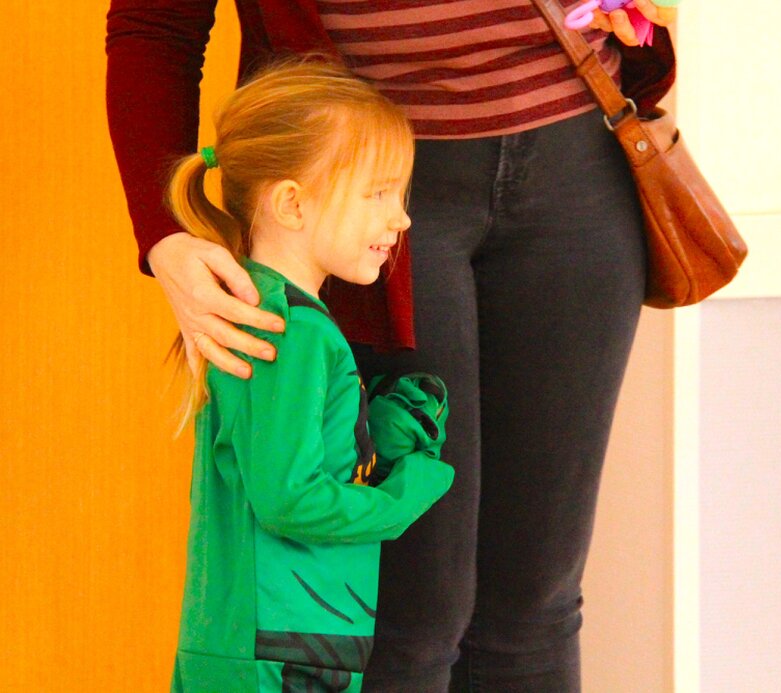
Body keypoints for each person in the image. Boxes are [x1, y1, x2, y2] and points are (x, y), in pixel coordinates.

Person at [106, 1, 677, 690]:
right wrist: (164, 231)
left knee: (537, 602)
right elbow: (155, 25)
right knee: (412, 613)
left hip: (578, 153)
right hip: (350, 173)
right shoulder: (328, 267)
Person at [164, 59, 455, 692]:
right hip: (280, 649)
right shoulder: (291, 331)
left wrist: (379, 430)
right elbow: (289, 498)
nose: (401, 218)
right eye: (378, 193)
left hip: (270, 639)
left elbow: (290, 461)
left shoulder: (267, 311)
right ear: (292, 204)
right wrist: (408, 490)